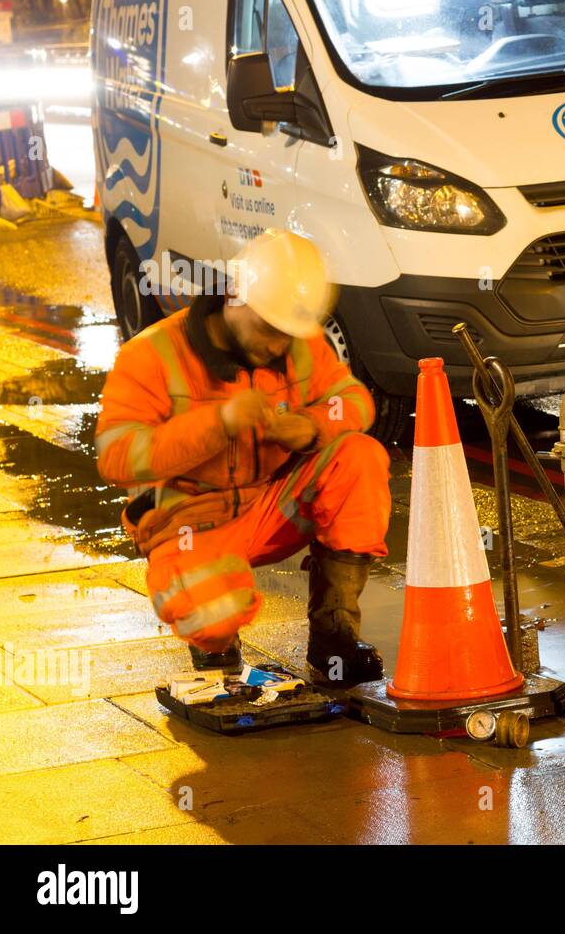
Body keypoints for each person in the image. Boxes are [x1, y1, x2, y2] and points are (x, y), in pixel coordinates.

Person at [95, 230, 390, 685]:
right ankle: (217, 641)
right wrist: (218, 423)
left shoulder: (298, 341)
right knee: (214, 614)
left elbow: (353, 401)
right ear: (234, 296)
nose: (277, 346)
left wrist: (313, 425)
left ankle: (334, 639)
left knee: (359, 457)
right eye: (268, 330)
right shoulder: (149, 356)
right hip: (189, 523)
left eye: (286, 335)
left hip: (268, 507)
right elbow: (116, 457)